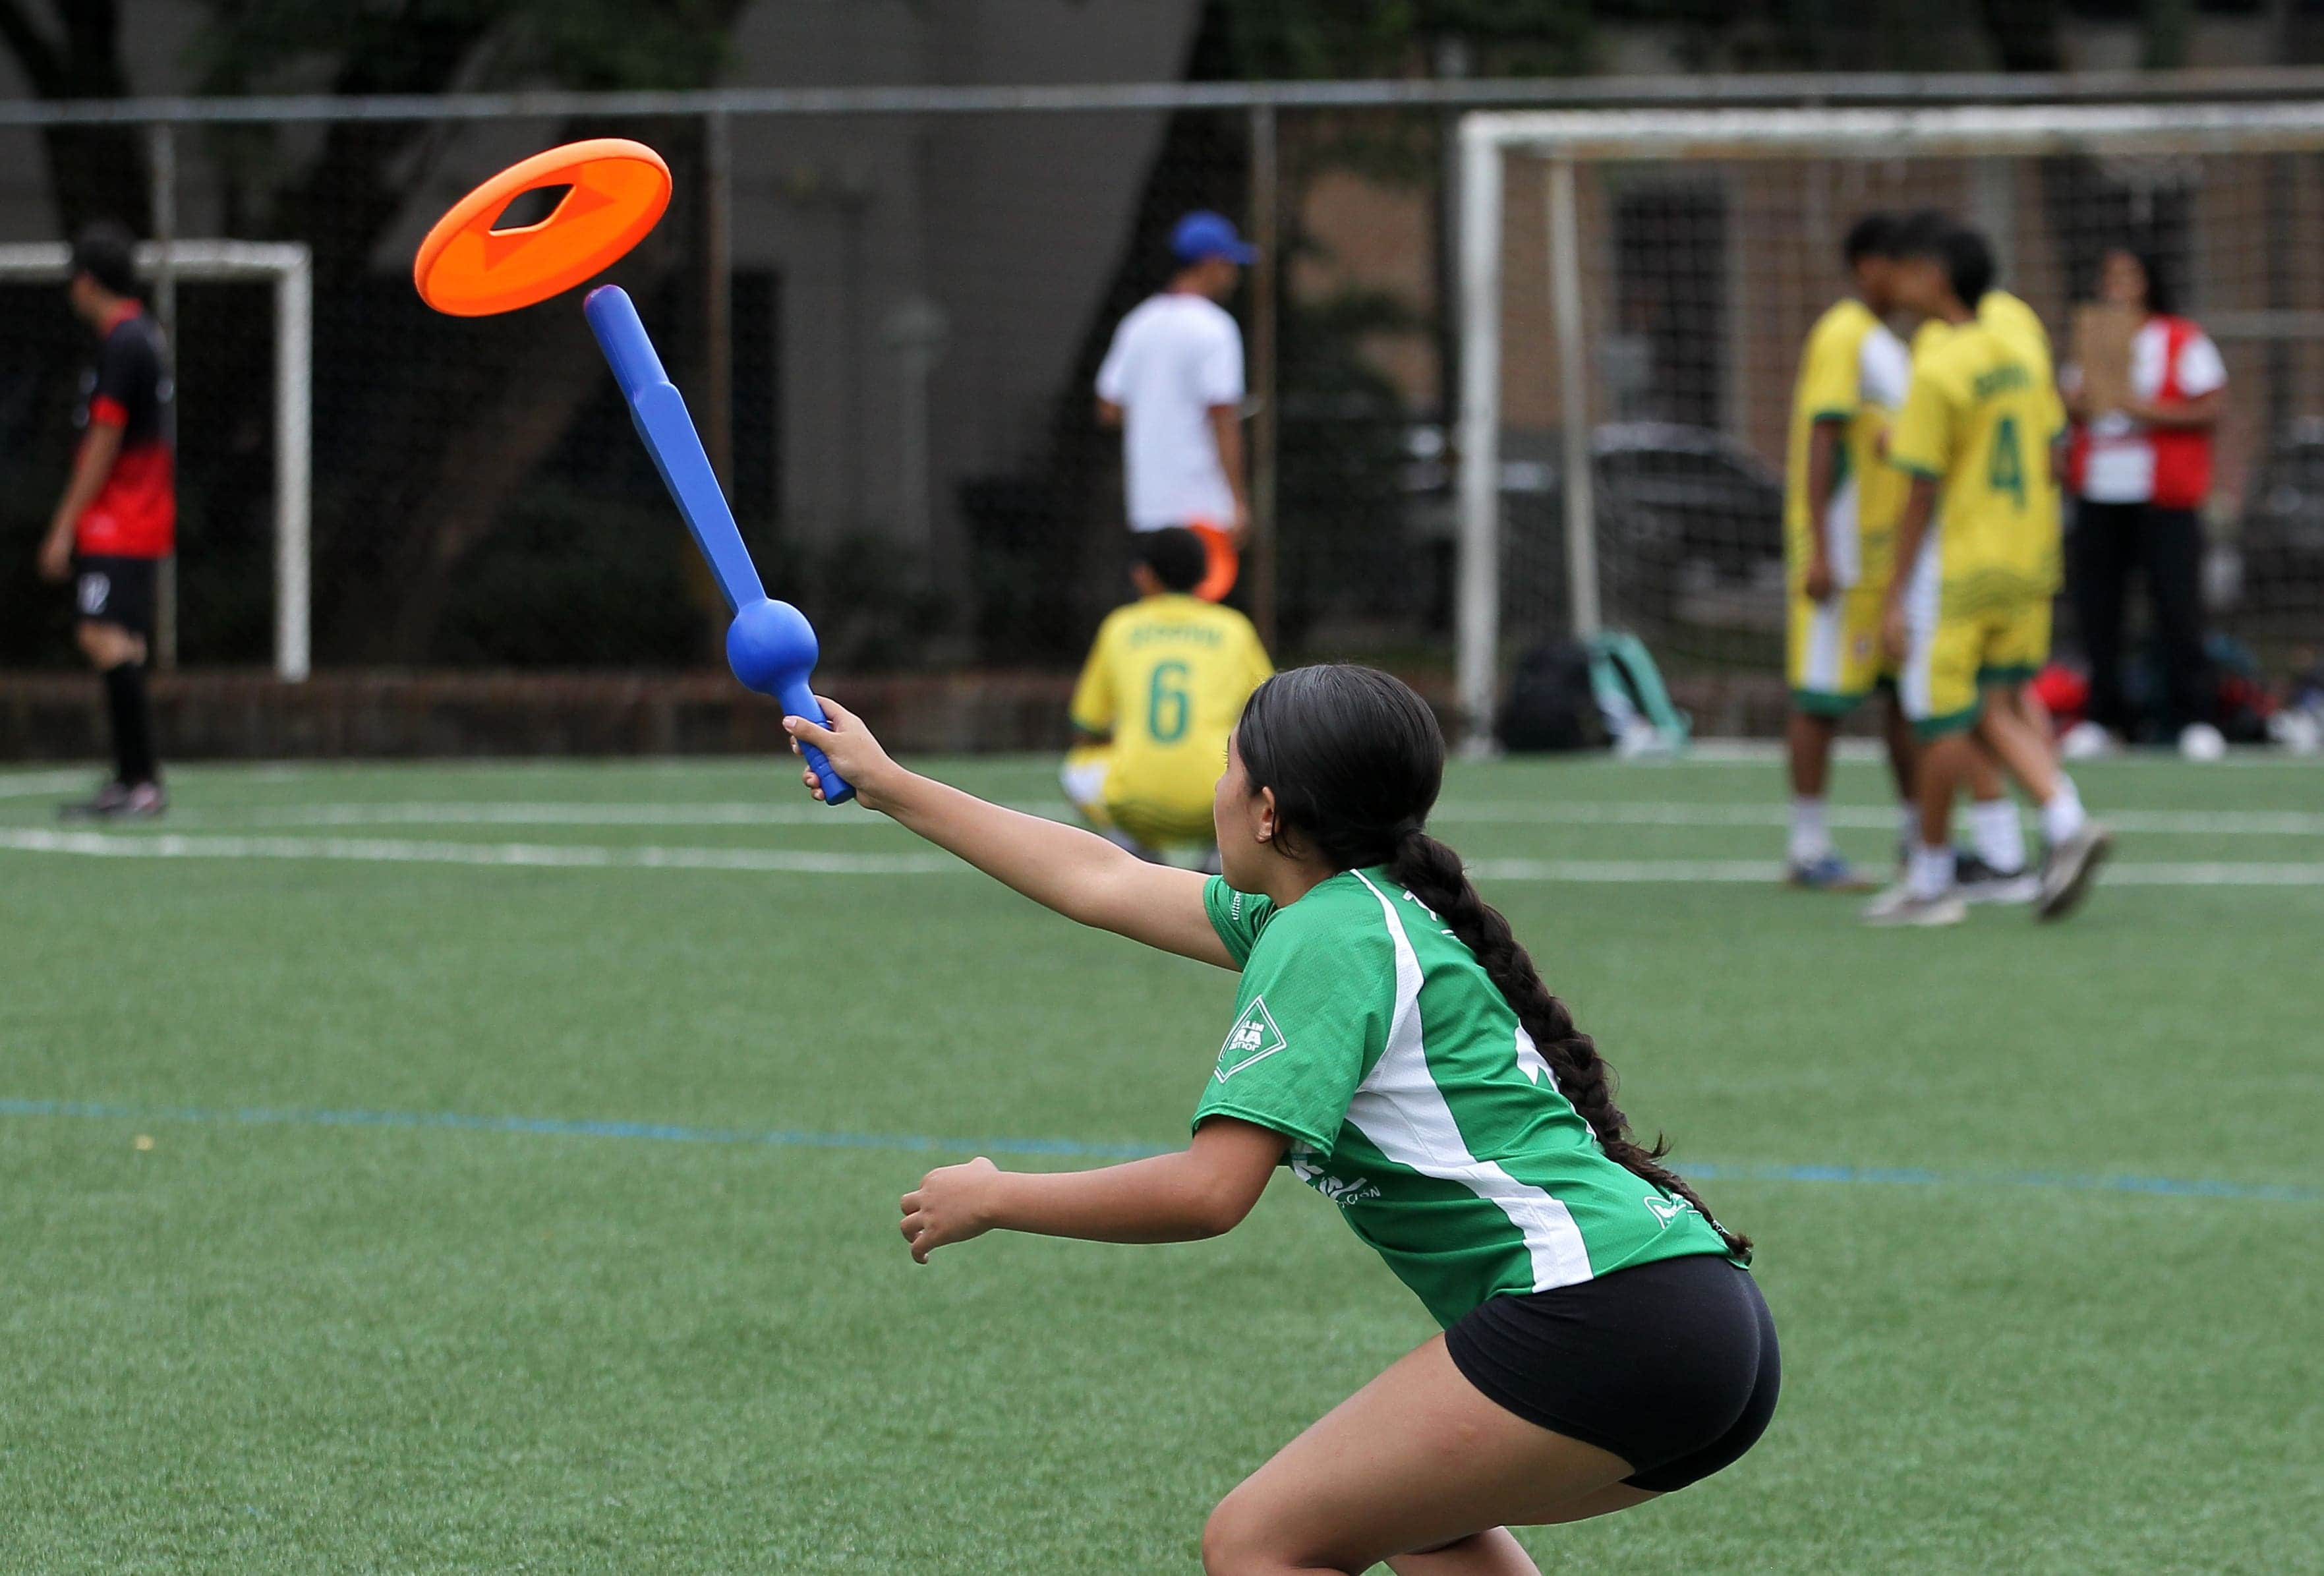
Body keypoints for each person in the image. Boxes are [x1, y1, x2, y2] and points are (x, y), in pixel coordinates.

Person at [784, 666, 1776, 1575]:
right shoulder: (1361, 910)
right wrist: (888, 782)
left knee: (1258, 1539)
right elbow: (1104, 879)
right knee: (1412, 1523)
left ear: (1264, 809)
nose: (1215, 788)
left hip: (1602, 1318)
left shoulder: (1325, 936)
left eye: (1227, 766)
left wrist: (997, 1197)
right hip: (1699, 1319)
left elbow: (1210, 1191)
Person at [1876, 220, 2110, 927]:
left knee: (1939, 715)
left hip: (1963, 562)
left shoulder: (1941, 362)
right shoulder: (2017, 333)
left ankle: (1934, 878)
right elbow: (2050, 443)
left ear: (1938, 278)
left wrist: (1892, 596)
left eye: (1913, 268)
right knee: (1999, 700)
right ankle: (2021, 847)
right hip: (2028, 549)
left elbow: (1920, 485)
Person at [1780, 212, 1917, 890]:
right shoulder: (1844, 334)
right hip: (1844, 554)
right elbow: (1822, 437)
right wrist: (1819, 549)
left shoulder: (1888, 345)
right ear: (1871, 265)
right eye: (1905, 263)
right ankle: (1807, 848)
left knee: (1903, 694)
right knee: (1821, 700)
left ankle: (1919, 836)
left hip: (1890, 557)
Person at [2060, 245, 2228, 759]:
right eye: (2110, 276)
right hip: (2101, 491)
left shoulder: (2180, 337)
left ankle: (2193, 715)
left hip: (2164, 496)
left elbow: (2211, 405)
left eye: (2129, 275)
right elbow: (2071, 410)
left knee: (2178, 607)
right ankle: (2105, 715)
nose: (2119, 286)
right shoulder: (2089, 340)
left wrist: (2142, 408)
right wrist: (2079, 404)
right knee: (2099, 611)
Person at [34, 220, 174, 819]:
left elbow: (106, 439)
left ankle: (140, 780)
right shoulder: (141, 335)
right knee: (124, 642)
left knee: (101, 635)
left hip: (122, 516)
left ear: (87, 283)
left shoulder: (123, 341)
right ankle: (133, 777)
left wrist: (65, 524)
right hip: (140, 514)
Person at [1063, 526, 1273, 862]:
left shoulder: (1120, 626)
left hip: (1135, 803)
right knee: (1264, 761)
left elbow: (1085, 727)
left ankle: (1138, 860)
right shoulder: (1234, 628)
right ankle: (1221, 860)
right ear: (1206, 575)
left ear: (1145, 576)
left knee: (1076, 771)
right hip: (1217, 800)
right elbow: (1271, 717)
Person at [1095, 210, 1253, 602]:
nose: (1234, 273)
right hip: (1202, 508)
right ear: (1210, 262)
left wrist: (1157, 412)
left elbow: (1108, 409)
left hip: (1149, 505)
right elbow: (1222, 415)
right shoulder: (1215, 328)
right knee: (1203, 621)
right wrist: (1237, 500)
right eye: (1230, 262)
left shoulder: (1139, 323)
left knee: (1154, 616)